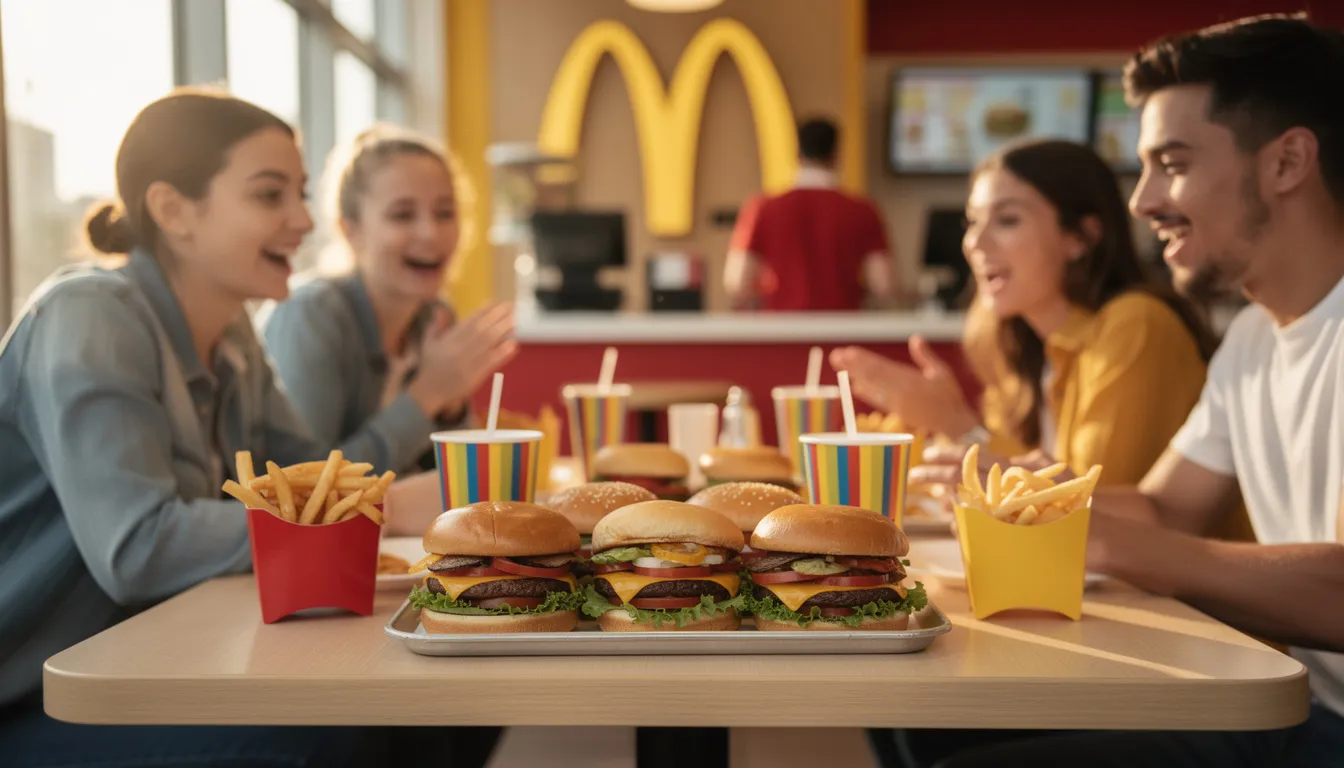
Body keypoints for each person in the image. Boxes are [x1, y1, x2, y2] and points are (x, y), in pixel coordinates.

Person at [0, 90, 497, 767]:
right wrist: (379, 506)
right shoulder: (89, 316)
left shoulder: (231, 335)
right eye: (270, 196)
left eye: (300, 194)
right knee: (329, 738)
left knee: (448, 706)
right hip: (37, 700)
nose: (302, 220)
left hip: (148, 663)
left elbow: (319, 474)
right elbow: (139, 547)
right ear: (173, 209)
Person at [900, 14, 1344, 767]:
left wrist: (1127, 546)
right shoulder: (1250, 338)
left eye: (1170, 163)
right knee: (918, 714)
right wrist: (1027, 495)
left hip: (1314, 719)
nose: (1140, 202)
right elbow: (1167, 506)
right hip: (1292, 700)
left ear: (1288, 160)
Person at [832, 139, 1216, 487]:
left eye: (1007, 220)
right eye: (973, 222)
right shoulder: (1015, 341)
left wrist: (958, 425)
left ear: (1080, 237)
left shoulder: (1136, 324)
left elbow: (1085, 508)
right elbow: (1017, 478)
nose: (974, 244)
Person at [258, 125, 516, 480]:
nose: (431, 233)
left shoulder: (433, 318)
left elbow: (455, 483)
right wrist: (428, 393)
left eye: (444, 213)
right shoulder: (310, 315)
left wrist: (450, 407)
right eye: (402, 215)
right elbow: (305, 483)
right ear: (351, 231)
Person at [725, 117, 894, 311]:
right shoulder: (863, 210)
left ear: (797, 153)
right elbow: (883, 284)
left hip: (780, 329)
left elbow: (736, 282)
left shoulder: (762, 209)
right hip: (842, 328)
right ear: (835, 154)